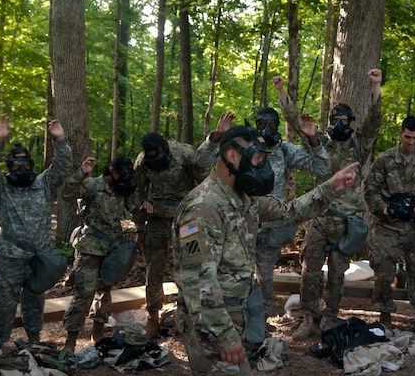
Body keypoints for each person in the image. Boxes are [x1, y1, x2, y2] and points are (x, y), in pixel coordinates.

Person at [172, 125, 359, 376]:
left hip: (233, 318)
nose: (262, 165)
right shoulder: (202, 208)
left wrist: (330, 188)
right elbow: (198, 283)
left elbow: (289, 212)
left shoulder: (245, 199)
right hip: (211, 327)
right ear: (231, 155)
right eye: (257, 158)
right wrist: (225, 337)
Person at [196, 103, 330, 354]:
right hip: (237, 220)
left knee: (264, 276)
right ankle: (227, 327)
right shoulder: (244, 149)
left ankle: (259, 326)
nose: (266, 128)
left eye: (271, 123)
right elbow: (202, 160)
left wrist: (313, 139)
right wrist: (216, 136)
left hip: (271, 222)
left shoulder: (285, 150)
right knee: (232, 273)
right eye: (261, 123)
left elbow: (321, 168)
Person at [279, 69, 383, 340]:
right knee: (309, 271)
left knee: (338, 273)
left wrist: (376, 87)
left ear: (351, 121)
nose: (339, 124)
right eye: (335, 119)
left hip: (346, 222)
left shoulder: (359, 143)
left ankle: (329, 317)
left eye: (344, 120)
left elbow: (374, 121)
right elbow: (296, 121)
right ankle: (308, 318)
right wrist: (282, 93)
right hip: (319, 218)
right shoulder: (320, 143)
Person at [0, 114, 72, 354]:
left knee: (35, 299)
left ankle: (33, 340)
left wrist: (59, 139)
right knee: (4, 304)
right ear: (8, 167)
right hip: (8, 257)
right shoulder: (0, 187)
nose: (21, 168)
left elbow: (62, 167)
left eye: (26, 164)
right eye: (16, 164)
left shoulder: (43, 184)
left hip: (38, 256)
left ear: (31, 166)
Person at [363, 116, 415, 326]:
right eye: (408, 137)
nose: (411, 142)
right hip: (386, 224)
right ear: (401, 133)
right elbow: (370, 191)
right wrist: (384, 208)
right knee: (382, 268)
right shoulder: (385, 159)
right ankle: (384, 314)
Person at [133, 132, 208, 339]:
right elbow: (138, 193)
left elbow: (205, 183)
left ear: (164, 147)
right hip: (157, 220)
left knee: (192, 266)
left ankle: (190, 316)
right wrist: (140, 226)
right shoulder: (142, 162)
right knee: (154, 269)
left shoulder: (185, 154)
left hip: (187, 220)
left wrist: (203, 214)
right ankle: (153, 317)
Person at [61, 156, 137, 352]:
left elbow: (135, 208)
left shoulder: (123, 190)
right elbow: (67, 194)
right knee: (83, 294)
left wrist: (145, 206)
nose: (126, 177)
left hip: (112, 249)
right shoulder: (92, 185)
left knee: (105, 293)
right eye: (123, 173)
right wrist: (81, 173)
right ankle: (71, 341)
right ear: (112, 171)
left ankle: (98, 333)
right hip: (90, 248)